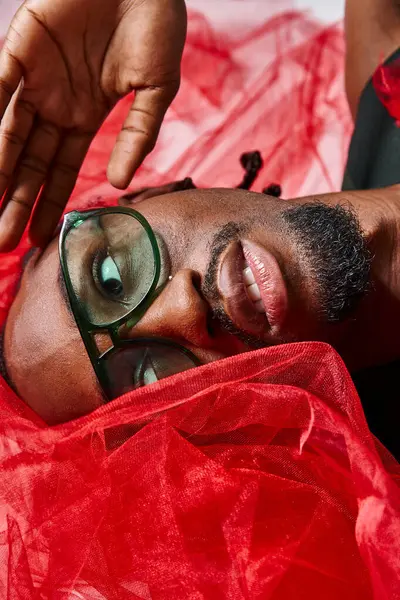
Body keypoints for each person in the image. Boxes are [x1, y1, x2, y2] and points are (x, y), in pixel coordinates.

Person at [1, 0, 400, 437]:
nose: (183, 309)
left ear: (151, 193)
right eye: (147, 379)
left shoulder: (382, 72)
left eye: (111, 276)